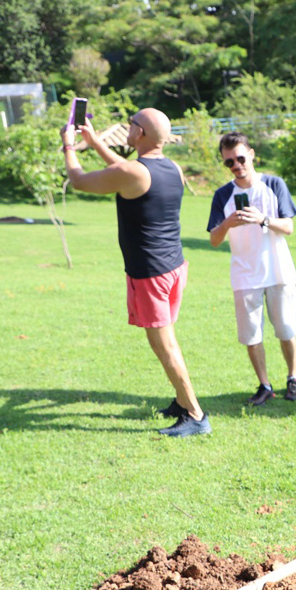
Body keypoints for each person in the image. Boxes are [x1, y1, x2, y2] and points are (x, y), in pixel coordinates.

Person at [61, 108, 209, 438]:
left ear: (139, 134)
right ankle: (181, 401)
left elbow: (80, 180)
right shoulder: (173, 168)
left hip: (150, 273)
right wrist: (95, 140)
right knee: (167, 340)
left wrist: (70, 146)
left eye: (131, 124)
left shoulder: (135, 173)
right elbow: (125, 169)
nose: (128, 127)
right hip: (173, 267)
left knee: (165, 346)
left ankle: (196, 414)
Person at [207, 132, 296, 406]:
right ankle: (265, 385)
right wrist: (227, 224)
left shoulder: (273, 183)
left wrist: (263, 219)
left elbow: (289, 227)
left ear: (251, 153)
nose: (236, 165)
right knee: (251, 335)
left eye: (240, 158)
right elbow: (214, 240)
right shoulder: (223, 195)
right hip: (244, 273)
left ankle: (293, 377)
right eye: (229, 163)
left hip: (279, 270)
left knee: (285, 330)